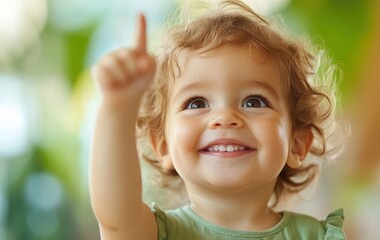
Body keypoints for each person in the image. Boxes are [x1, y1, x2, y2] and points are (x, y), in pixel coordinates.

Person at [89, 1, 346, 239]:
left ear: (297, 143)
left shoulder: (315, 235)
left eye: (254, 102)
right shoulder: (156, 233)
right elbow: (115, 218)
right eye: (197, 103)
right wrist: (117, 106)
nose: (224, 118)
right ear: (163, 146)